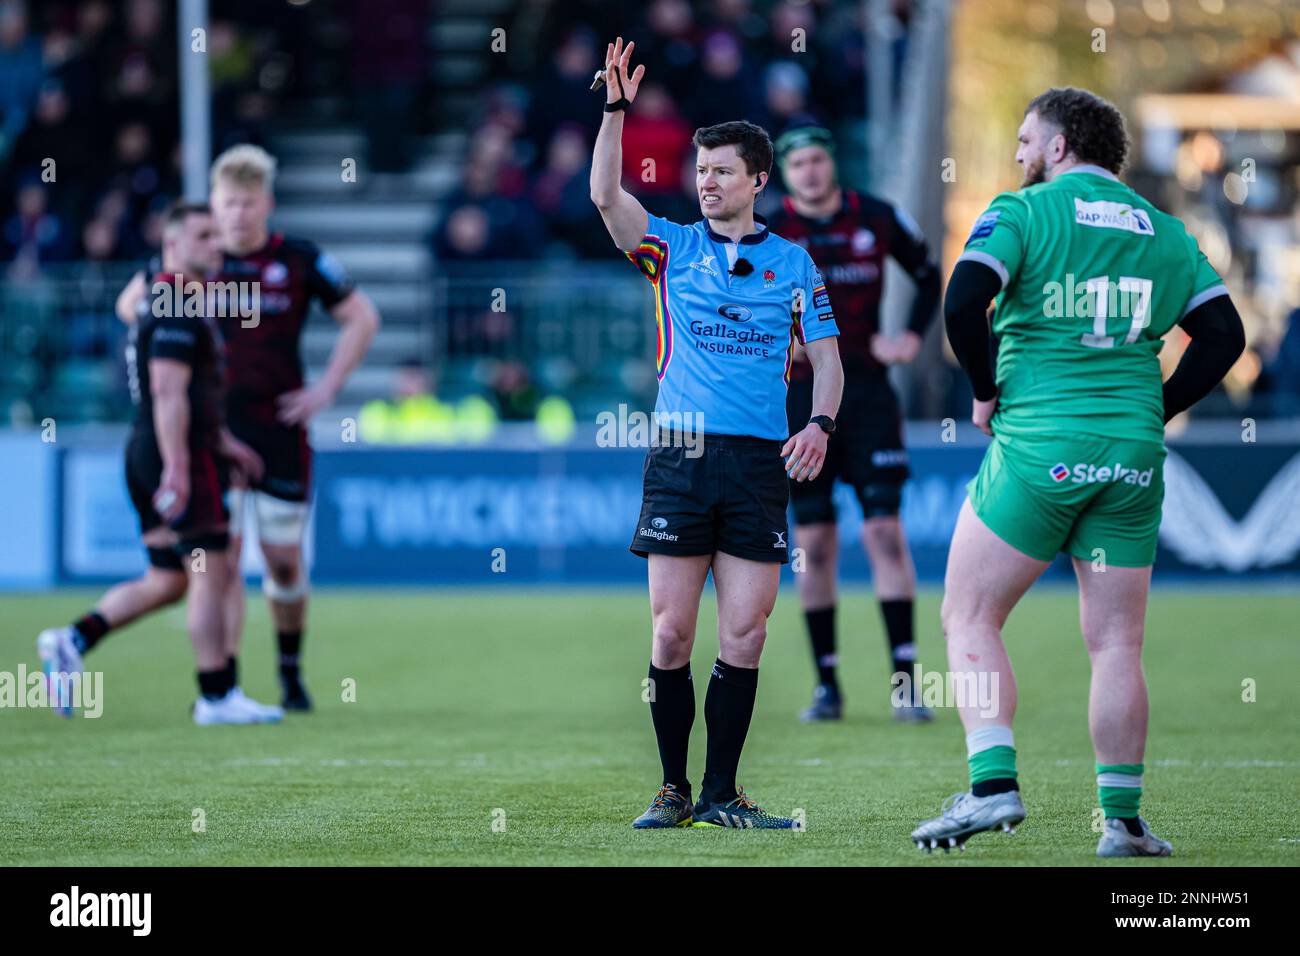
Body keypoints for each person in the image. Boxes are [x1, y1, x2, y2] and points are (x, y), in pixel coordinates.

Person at [914, 88, 1244, 857]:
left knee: (969, 616)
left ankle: (992, 788)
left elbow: (963, 302)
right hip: (1131, 456)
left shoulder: (1024, 213)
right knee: (1118, 644)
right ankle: (1122, 822)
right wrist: (1154, 409)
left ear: (1060, 147)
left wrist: (987, 391)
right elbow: (1222, 336)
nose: (1021, 154)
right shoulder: (1165, 230)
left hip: (1041, 444)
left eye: (1028, 139)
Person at [590, 38, 843, 829]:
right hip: (683, 454)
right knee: (671, 631)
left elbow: (830, 364)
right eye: (701, 170)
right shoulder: (671, 247)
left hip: (758, 462)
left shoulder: (795, 265)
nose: (707, 182)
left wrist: (821, 425)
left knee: (747, 630)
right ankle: (671, 788)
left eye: (723, 170)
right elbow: (604, 197)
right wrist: (614, 110)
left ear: (758, 181)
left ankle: (722, 792)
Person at [116, 145, 380, 712]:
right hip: (213, 434)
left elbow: (362, 316)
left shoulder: (300, 260)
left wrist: (325, 390)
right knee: (223, 558)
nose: (236, 215)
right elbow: (129, 305)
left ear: (268, 205)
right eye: (227, 204)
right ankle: (224, 685)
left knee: (282, 558)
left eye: (247, 203)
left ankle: (290, 669)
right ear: (213, 205)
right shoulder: (191, 268)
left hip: (278, 430)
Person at [38, 202, 280, 724]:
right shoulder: (174, 305)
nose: (216, 246)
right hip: (176, 454)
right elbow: (169, 392)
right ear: (171, 246)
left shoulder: (173, 301)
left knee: (169, 579)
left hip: (151, 448)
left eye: (218, 237)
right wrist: (179, 466)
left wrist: (223, 441)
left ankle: (72, 638)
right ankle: (216, 696)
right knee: (211, 571)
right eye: (203, 236)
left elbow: (187, 391)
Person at [768, 125, 940, 723]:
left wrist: (912, 336)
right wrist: (773, 348)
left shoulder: (877, 216)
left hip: (866, 397)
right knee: (813, 543)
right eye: (798, 164)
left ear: (832, 164)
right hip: (798, 403)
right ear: (784, 175)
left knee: (885, 534)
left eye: (818, 159)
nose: (810, 172)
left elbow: (929, 273)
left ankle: (905, 683)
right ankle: (828, 686)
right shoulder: (767, 228)